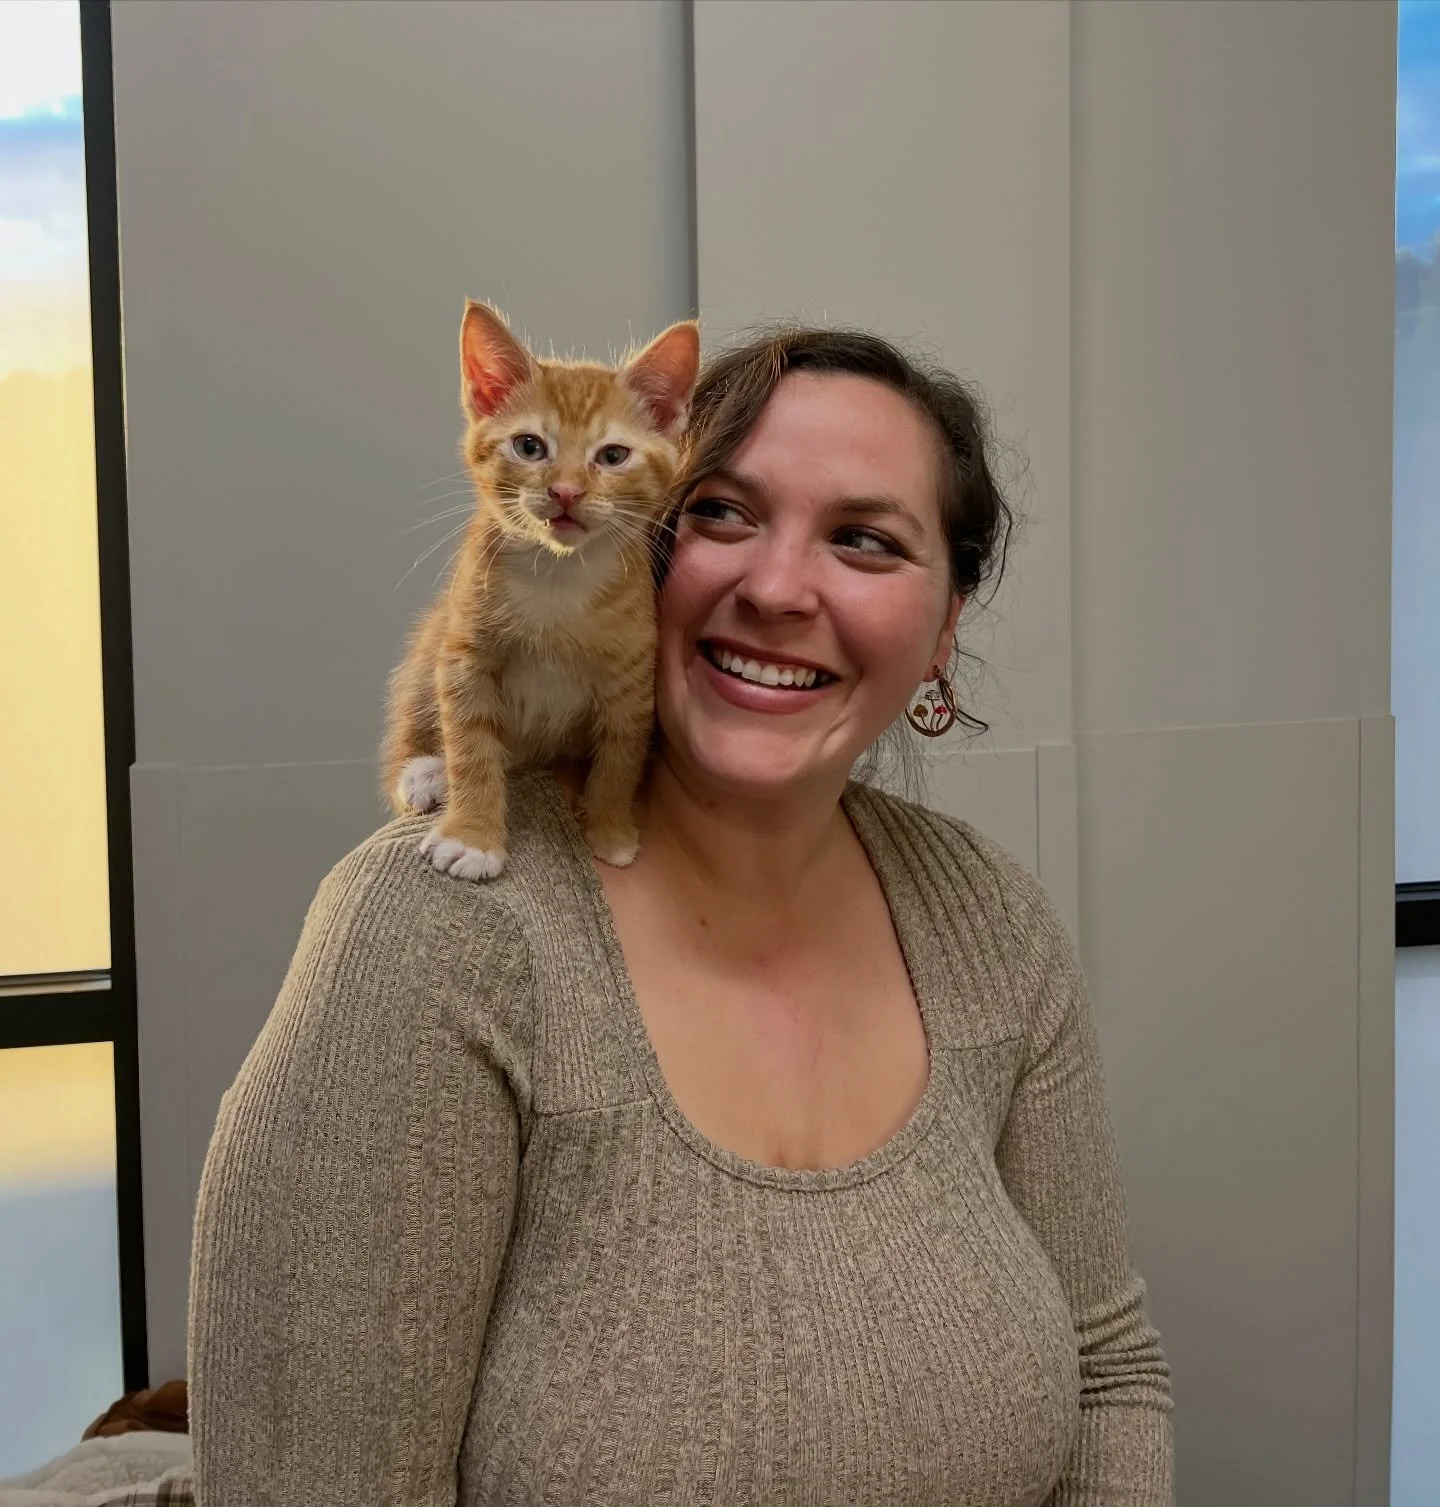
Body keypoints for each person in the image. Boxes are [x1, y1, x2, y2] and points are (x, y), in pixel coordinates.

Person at [188, 328, 1174, 1506]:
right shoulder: (429, 939)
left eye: (864, 539)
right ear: (639, 545)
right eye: (722, 515)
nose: (774, 587)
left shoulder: (991, 924)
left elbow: (1110, 1375)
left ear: (945, 628)